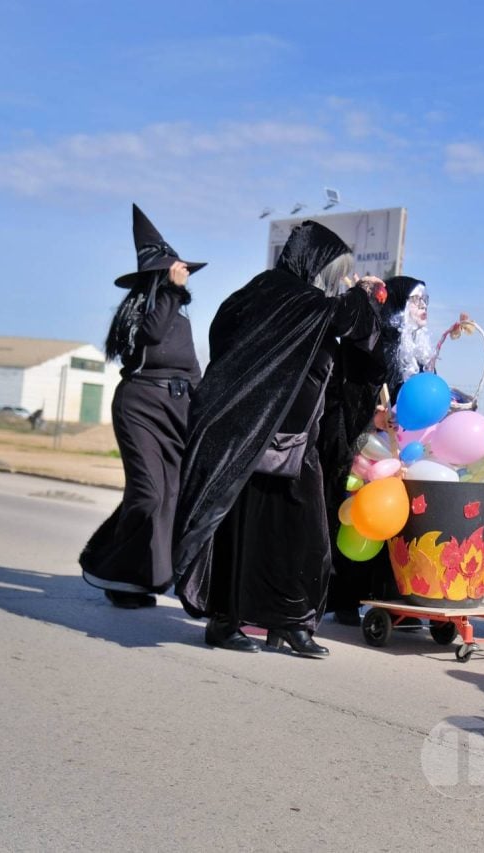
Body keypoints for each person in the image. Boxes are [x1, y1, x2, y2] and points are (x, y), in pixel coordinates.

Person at [172, 221, 382, 658]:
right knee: (239, 533)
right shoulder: (285, 296)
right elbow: (350, 317)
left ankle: (289, 623)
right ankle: (224, 621)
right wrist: (360, 292)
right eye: (336, 270)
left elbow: (361, 338)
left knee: (300, 536)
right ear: (317, 264)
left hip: (296, 442)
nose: (339, 280)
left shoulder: (300, 303)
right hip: (252, 434)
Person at [80, 205, 204, 608]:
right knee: (148, 495)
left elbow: (193, 371)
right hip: (140, 408)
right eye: (172, 275)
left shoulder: (180, 319)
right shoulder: (140, 314)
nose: (181, 281)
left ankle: (143, 580)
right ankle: (114, 572)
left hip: (177, 411)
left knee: (170, 497)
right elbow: (151, 335)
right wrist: (170, 290)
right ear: (159, 278)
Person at [328, 275, 429, 627]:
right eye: (416, 301)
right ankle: (345, 597)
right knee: (364, 515)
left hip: (408, 450)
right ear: (399, 306)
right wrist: (376, 411)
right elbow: (356, 387)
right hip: (371, 446)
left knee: (402, 520)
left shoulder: (422, 351)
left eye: (425, 301)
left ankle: (393, 598)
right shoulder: (380, 340)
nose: (423, 308)